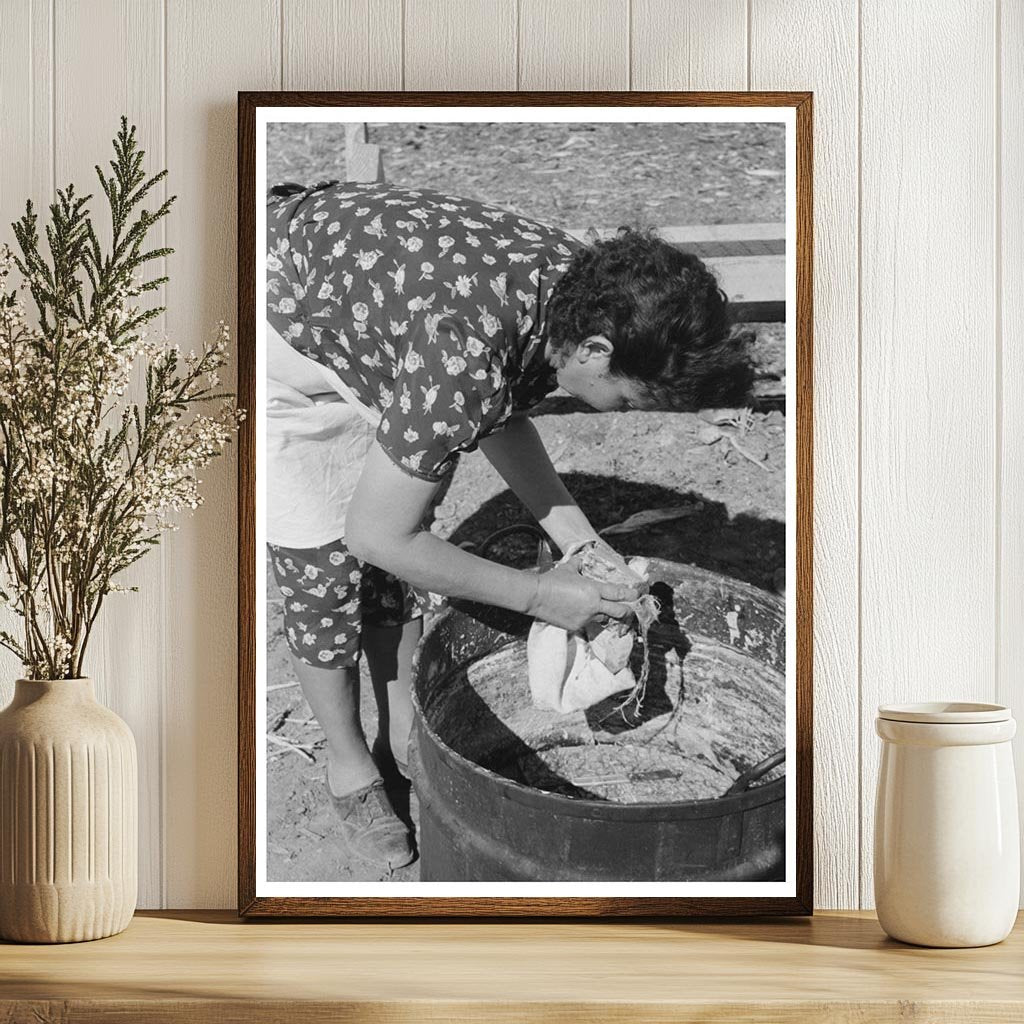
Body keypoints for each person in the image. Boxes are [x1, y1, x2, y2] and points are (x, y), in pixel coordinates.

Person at [265, 180, 752, 870]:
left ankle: (401, 728)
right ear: (594, 349)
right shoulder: (462, 352)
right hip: (276, 332)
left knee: (400, 551)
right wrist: (540, 596)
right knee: (325, 574)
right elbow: (377, 535)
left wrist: (582, 542)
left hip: (370, 324)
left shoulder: (574, 287)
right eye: (626, 397)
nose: (617, 413)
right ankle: (348, 767)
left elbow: (497, 408)